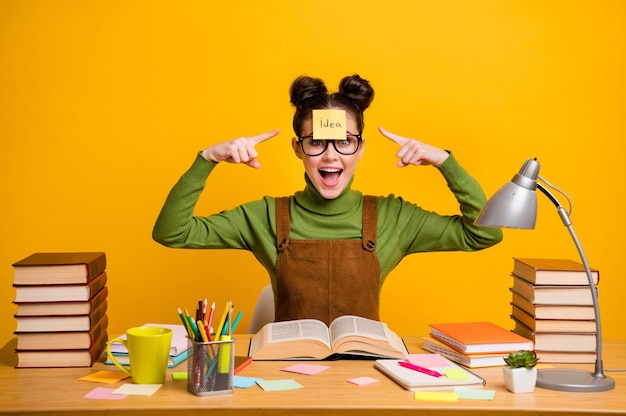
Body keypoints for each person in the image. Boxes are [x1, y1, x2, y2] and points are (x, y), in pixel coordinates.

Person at [153, 74, 502, 326]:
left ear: (360, 148)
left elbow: (484, 234)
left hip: (365, 375)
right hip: (286, 376)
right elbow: (172, 233)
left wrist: (445, 162)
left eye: (344, 141)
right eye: (316, 142)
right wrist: (208, 158)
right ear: (298, 148)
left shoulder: (392, 216)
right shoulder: (265, 216)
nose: (330, 156)